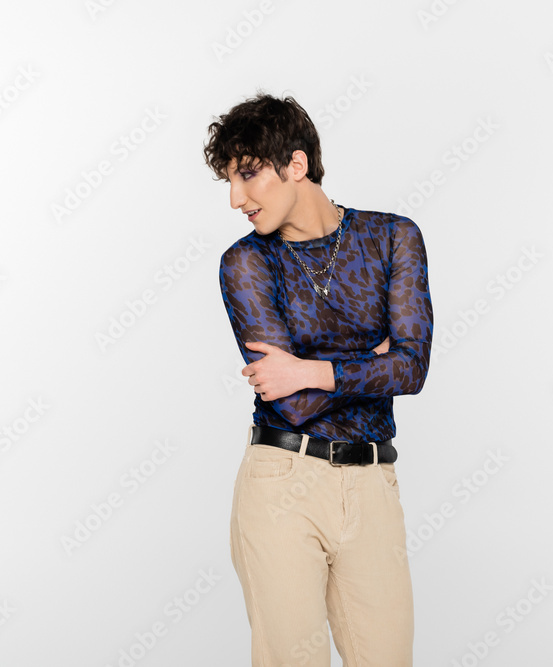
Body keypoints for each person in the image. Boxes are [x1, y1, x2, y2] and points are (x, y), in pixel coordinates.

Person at [204, 91, 433, 666]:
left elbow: (412, 369)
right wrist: (373, 358)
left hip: (373, 483)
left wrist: (308, 369)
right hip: (282, 479)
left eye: (248, 175)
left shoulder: (393, 237)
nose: (235, 198)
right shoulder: (246, 263)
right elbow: (295, 406)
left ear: (297, 164)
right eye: (229, 181)